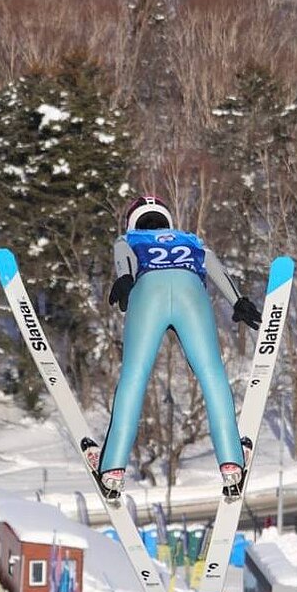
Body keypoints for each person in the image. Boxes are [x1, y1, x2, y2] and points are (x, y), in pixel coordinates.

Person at [89, 195, 262, 499]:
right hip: (189, 289)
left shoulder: (129, 237)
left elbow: (124, 256)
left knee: (134, 376)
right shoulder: (190, 239)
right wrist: (239, 300)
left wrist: (126, 279)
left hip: (148, 289)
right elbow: (215, 267)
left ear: (133, 220)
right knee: (212, 374)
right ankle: (232, 463)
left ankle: (112, 468)